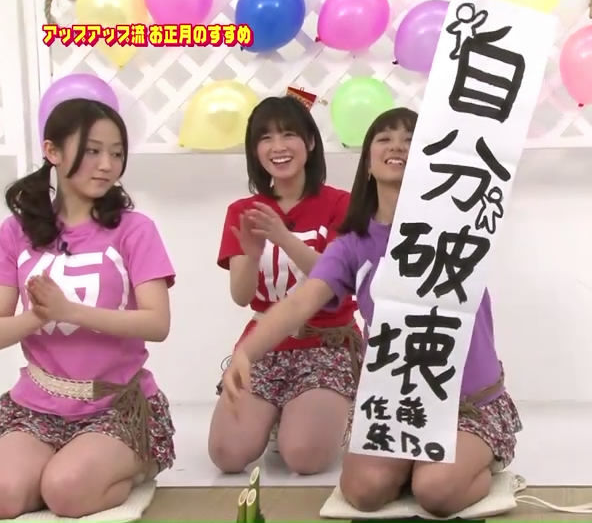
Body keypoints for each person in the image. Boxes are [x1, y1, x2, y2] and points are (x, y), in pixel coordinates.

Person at [221, 107, 522, 518]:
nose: (397, 146)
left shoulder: (457, 224)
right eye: (384, 139)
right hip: (399, 400)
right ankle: (419, 464)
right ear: (367, 163)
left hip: (466, 403)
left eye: (410, 139)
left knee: (435, 492)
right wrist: (247, 352)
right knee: (363, 491)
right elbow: (299, 303)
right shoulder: (352, 245)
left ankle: (477, 465)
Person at [0, 98, 176, 519]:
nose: (107, 165)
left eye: (116, 153)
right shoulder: (16, 232)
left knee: (66, 492)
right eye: (93, 151)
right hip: (37, 404)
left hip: (116, 404)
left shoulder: (135, 230)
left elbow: (157, 323)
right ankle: (67, 466)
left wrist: (71, 311)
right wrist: (40, 315)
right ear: (52, 151)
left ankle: (139, 461)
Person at [208, 94, 361, 476]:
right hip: (266, 345)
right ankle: (283, 411)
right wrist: (250, 253)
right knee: (227, 455)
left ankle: (330, 411)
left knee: (304, 458)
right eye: (265, 138)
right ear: (254, 151)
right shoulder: (243, 211)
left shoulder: (342, 204)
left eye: (288, 134)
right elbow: (241, 296)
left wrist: (283, 238)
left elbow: (340, 283)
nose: (278, 146)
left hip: (327, 343)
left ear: (309, 142)